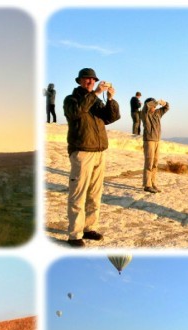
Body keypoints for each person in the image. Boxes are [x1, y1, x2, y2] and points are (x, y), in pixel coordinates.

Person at [63, 67, 120, 247]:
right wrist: (95, 94)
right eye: (87, 79)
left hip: (99, 152)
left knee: (95, 194)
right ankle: (75, 234)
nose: (91, 82)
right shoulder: (71, 99)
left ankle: (89, 228)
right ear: (79, 81)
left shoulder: (95, 101)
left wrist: (110, 99)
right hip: (82, 151)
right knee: (78, 194)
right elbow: (76, 112)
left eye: (93, 80)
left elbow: (112, 117)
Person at [141, 98, 170, 193]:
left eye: (155, 106)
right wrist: (156, 102)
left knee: (155, 163)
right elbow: (146, 106)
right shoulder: (145, 114)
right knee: (149, 163)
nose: (154, 107)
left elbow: (166, 108)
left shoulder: (158, 113)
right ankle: (147, 185)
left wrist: (165, 103)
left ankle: (153, 183)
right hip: (149, 141)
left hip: (157, 140)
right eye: (153, 105)